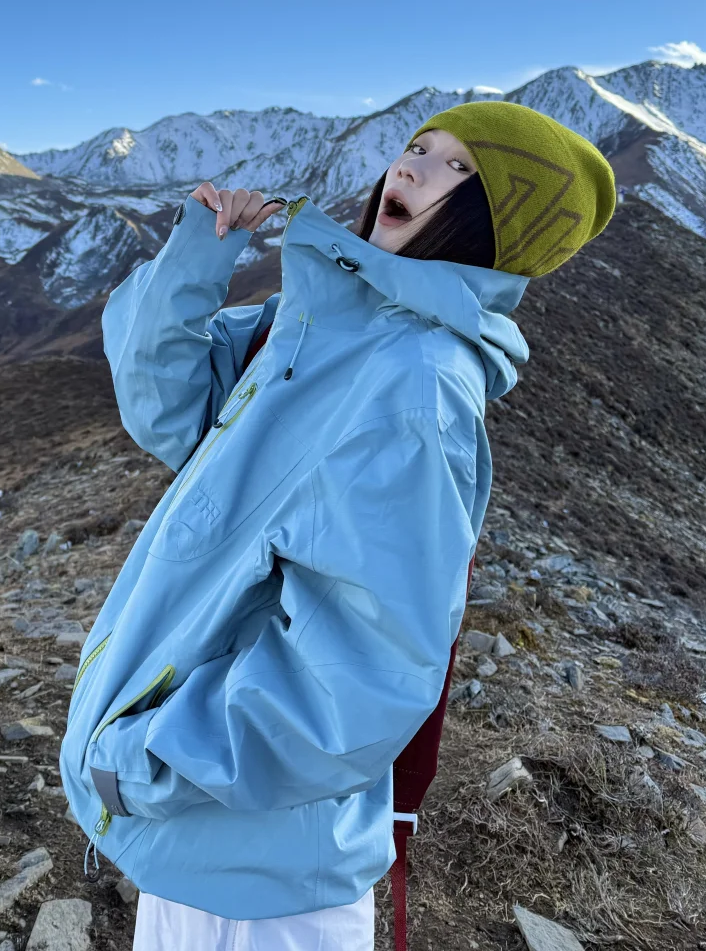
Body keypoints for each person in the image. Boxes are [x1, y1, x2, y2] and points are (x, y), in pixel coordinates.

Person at [59, 100, 616, 951]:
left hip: (259, 871)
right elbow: (166, 407)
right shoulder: (318, 325)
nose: (411, 169)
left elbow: (362, 671)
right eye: (416, 147)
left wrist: (155, 759)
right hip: (208, 841)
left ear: (495, 226)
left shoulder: (414, 383)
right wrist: (200, 255)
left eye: (458, 170)